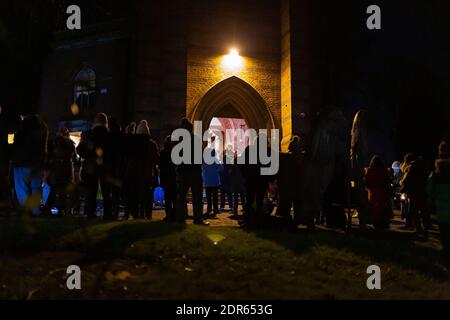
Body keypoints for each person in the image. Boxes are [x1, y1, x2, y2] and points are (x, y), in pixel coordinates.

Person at [77, 113, 113, 220]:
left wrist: (89, 155)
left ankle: (90, 212)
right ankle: (107, 213)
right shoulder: (110, 135)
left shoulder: (88, 134)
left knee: (91, 190)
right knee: (106, 191)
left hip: (91, 165)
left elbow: (80, 150)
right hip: (106, 165)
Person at [11, 115, 48, 216]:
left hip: (21, 163)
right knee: (36, 187)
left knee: (22, 188)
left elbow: (15, 146)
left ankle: (27, 211)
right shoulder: (42, 131)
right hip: (35, 163)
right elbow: (43, 148)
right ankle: (36, 211)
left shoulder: (20, 132)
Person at [175, 118, 208, 225]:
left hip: (182, 172)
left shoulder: (178, 140)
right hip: (194, 172)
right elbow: (202, 156)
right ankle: (197, 219)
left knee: (181, 197)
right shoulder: (195, 139)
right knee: (197, 197)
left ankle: (181, 219)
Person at [44, 127, 77, 216]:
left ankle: (47, 210)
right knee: (64, 193)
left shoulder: (52, 143)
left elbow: (47, 158)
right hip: (67, 172)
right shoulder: (70, 144)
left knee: (53, 192)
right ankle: (62, 211)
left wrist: (47, 170)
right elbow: (75, 159)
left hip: (55, 172)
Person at [401, 154, 430, 237]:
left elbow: (407, 180)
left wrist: (402, 186)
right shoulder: (424, 167)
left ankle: (418, 229)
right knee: (423, 210)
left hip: (414, 192)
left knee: (414, 211)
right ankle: (426, 228)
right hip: (423, 192)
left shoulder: (411, 167)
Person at [427, 157, 450, 262]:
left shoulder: (435, 176)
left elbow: (430, 190)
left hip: (441, 208)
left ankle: (445, 251)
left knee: (443, 230)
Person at [136, 120, 159, 220]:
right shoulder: (152, 144)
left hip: (137, 173)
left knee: (139, 194)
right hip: (148, 173)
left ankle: (140, 213)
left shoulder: (135, 144)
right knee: (148, 195)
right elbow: (156, 159)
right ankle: (148, 214)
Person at [364, 155, 393, 230]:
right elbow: (388, 181)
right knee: (383, 208)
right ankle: (384, 223)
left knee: (375, 209)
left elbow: (366, 182)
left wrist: (370, 188)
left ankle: (376, 224)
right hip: (383, 193)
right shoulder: (384, 171)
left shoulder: (370, 170)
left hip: (373, 193)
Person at [159, 135, 177, 222]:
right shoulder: (175, 152)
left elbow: (160, 165)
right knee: (174, 198)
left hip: (166, 178)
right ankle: (174, 215)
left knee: (168, 198)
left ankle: (168, 215)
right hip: (173, 178)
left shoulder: (163, 152)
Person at [202, 147, 223, 217]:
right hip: (215, 181)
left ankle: (209, 209)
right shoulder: (215, 160)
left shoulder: (204, 161)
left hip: (207, 181)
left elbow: (202, 170)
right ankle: (215, 210)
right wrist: (215, 171)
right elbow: (221, 169)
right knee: (215, 197)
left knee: (209, 197)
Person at [219, 147, 233, 212]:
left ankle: (222, 206)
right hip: (229, 181)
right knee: (229, 194)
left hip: (223, 181)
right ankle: (231, 206)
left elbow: (219, 173)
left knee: (222, 195)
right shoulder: (230, 166)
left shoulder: (221, 166)